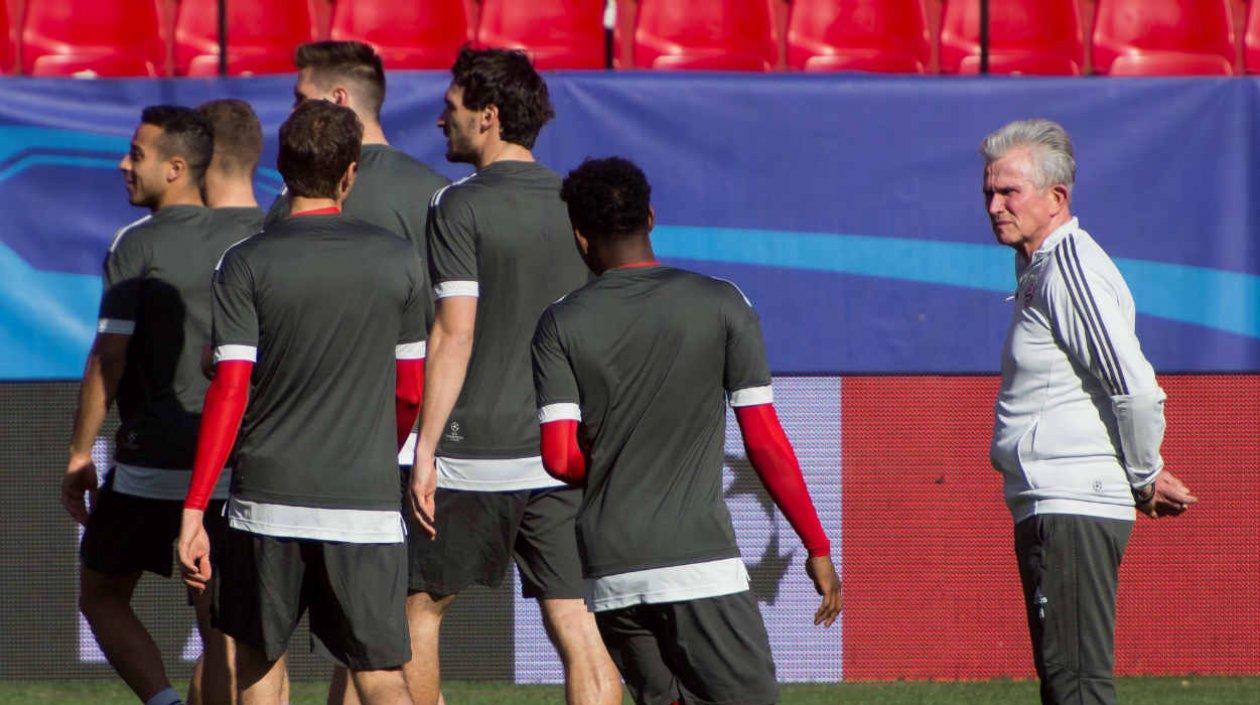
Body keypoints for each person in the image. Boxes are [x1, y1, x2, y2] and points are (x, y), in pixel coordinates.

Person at [531, 157, 843, 705]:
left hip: (611, 570)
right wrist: (815, 545)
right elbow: (765, 440)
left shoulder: (559, 322)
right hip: (700, 566)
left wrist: (611, 461)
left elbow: (559, 458)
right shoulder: (722, 302)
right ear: (651, 216)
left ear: (580, 237)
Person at [177, 100, 428, 705]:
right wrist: (372, 452)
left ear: (282, 171)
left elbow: (229, 388)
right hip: (363, 500)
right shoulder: (400, 259)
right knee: (381, 676)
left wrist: (193, 507)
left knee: (260, 670)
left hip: (267, 499)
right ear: (350, 174)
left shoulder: (245, 261)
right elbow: (410, 391)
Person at [407, 48, 620, 705]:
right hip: (564, 453)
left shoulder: (457, 205)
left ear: (489, 117)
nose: (442, 122)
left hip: (478, 452)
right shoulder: (577, 205)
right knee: (577, 622)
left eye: (452, 110)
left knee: (416, 611)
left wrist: (426, 450)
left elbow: (455, 332)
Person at [983, 119, 1199, 705]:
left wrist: (1143, 474)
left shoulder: (1069, 266)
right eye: (990, 193)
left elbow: (1134, 386)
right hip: (1053, 500)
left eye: (1010, 192)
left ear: (1057, 198)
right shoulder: (1040, 268)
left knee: (1077, 686)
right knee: (1067, 684)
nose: (995, 206)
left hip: (1072, 501)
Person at [261, 40, 448, 704]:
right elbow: (456, 329)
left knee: (277, 641)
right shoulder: (437, 193)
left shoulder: (296, 200)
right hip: (405, 440)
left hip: (321, 452)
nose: (288, 109)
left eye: (297, 95)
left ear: (337, 100)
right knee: (376, 635)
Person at [62, 106, 243, 705]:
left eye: (135, 154)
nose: (122, 163)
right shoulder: (250, 239)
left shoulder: (136, 244)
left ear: (177, 168)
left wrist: (80, 453)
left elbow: (108, 358)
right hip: (230, 466)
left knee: (101, 594)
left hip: (151, 465)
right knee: (219, 623)